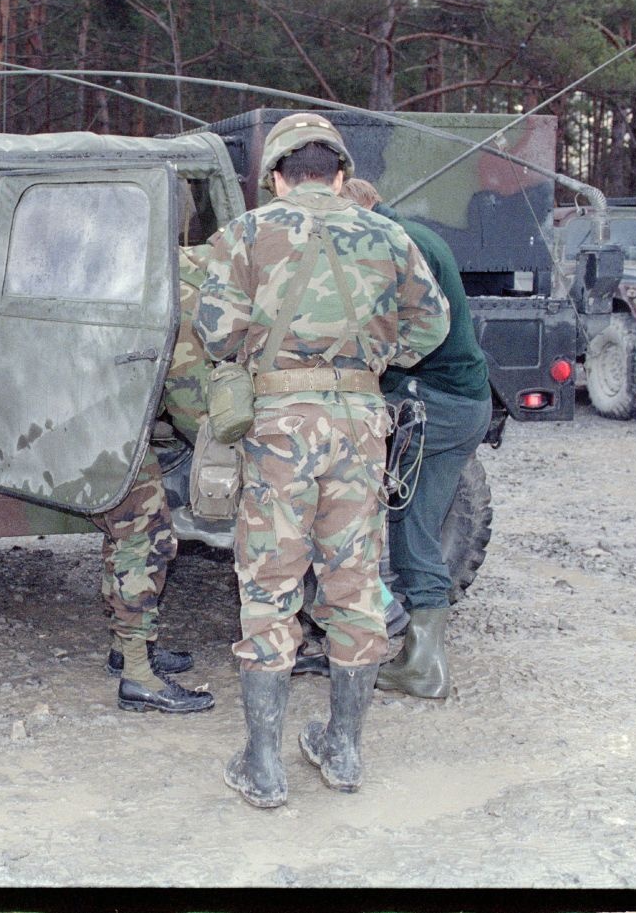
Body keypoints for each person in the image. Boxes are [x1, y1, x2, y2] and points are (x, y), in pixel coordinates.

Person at [196, 114, 449, 807]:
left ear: (275, 175)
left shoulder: (247, 233)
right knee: (355, 579)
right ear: (340, 172)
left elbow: (213, 329)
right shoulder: (388, 233)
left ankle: (263, 764)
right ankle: (343, 749)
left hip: (278, 422)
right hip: (360, 421)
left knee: (270, 583)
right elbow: (432, 324)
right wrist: (372, 357)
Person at [340, 177, 492, 700]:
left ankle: (411, 655)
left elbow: (414, 329)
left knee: (396, 517)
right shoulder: (412, 235)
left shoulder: (398, 243)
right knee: (414, 524)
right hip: (459, 401)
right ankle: (420, 658)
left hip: (436, 403)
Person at [96, 236, 215, 714]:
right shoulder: (182, 288)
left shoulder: (130, 265)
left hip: (92, 419)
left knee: (123, 535)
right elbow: (189, 399)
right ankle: (139, 677)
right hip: (111, 427)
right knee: (146, 541)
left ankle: (128, 649)